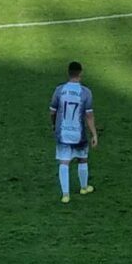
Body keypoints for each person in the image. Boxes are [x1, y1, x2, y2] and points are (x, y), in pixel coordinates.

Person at [49, 61, 97, 204]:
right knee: (82, 159)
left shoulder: (59, 90)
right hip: (79, 133)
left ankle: (65, 195)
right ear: (80, 73)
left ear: (68, 73)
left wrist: (54, 124)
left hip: (63, 132)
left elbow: (52, 111)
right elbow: (89, 115)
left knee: (64, 162)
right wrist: (94, 134)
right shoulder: (86, 92)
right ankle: (84, 187)